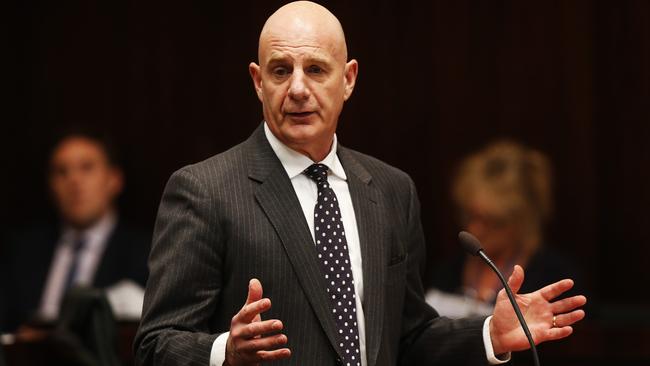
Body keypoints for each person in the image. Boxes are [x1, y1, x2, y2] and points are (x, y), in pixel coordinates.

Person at [134, 2, 586, 365]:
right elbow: (155, 344)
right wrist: (222, 353)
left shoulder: (391, 190)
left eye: (315, 69)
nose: (296, 88)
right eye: (279, 71)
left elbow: (408, 335)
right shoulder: (203, 191)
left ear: (347, 79)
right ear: (257, 82)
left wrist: (490, 334)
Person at [0, 131, 150, 334]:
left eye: (86, 168)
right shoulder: (21, 250)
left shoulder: (147, 253)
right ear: (50, 185)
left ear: (114, 179)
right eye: (62, 172)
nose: (74, 181)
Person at [427, 141, 584, 318]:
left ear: (522, 221)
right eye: (470, 216)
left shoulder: (555, 277)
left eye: (492, 221)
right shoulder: (447, 271)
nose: (474, 229)